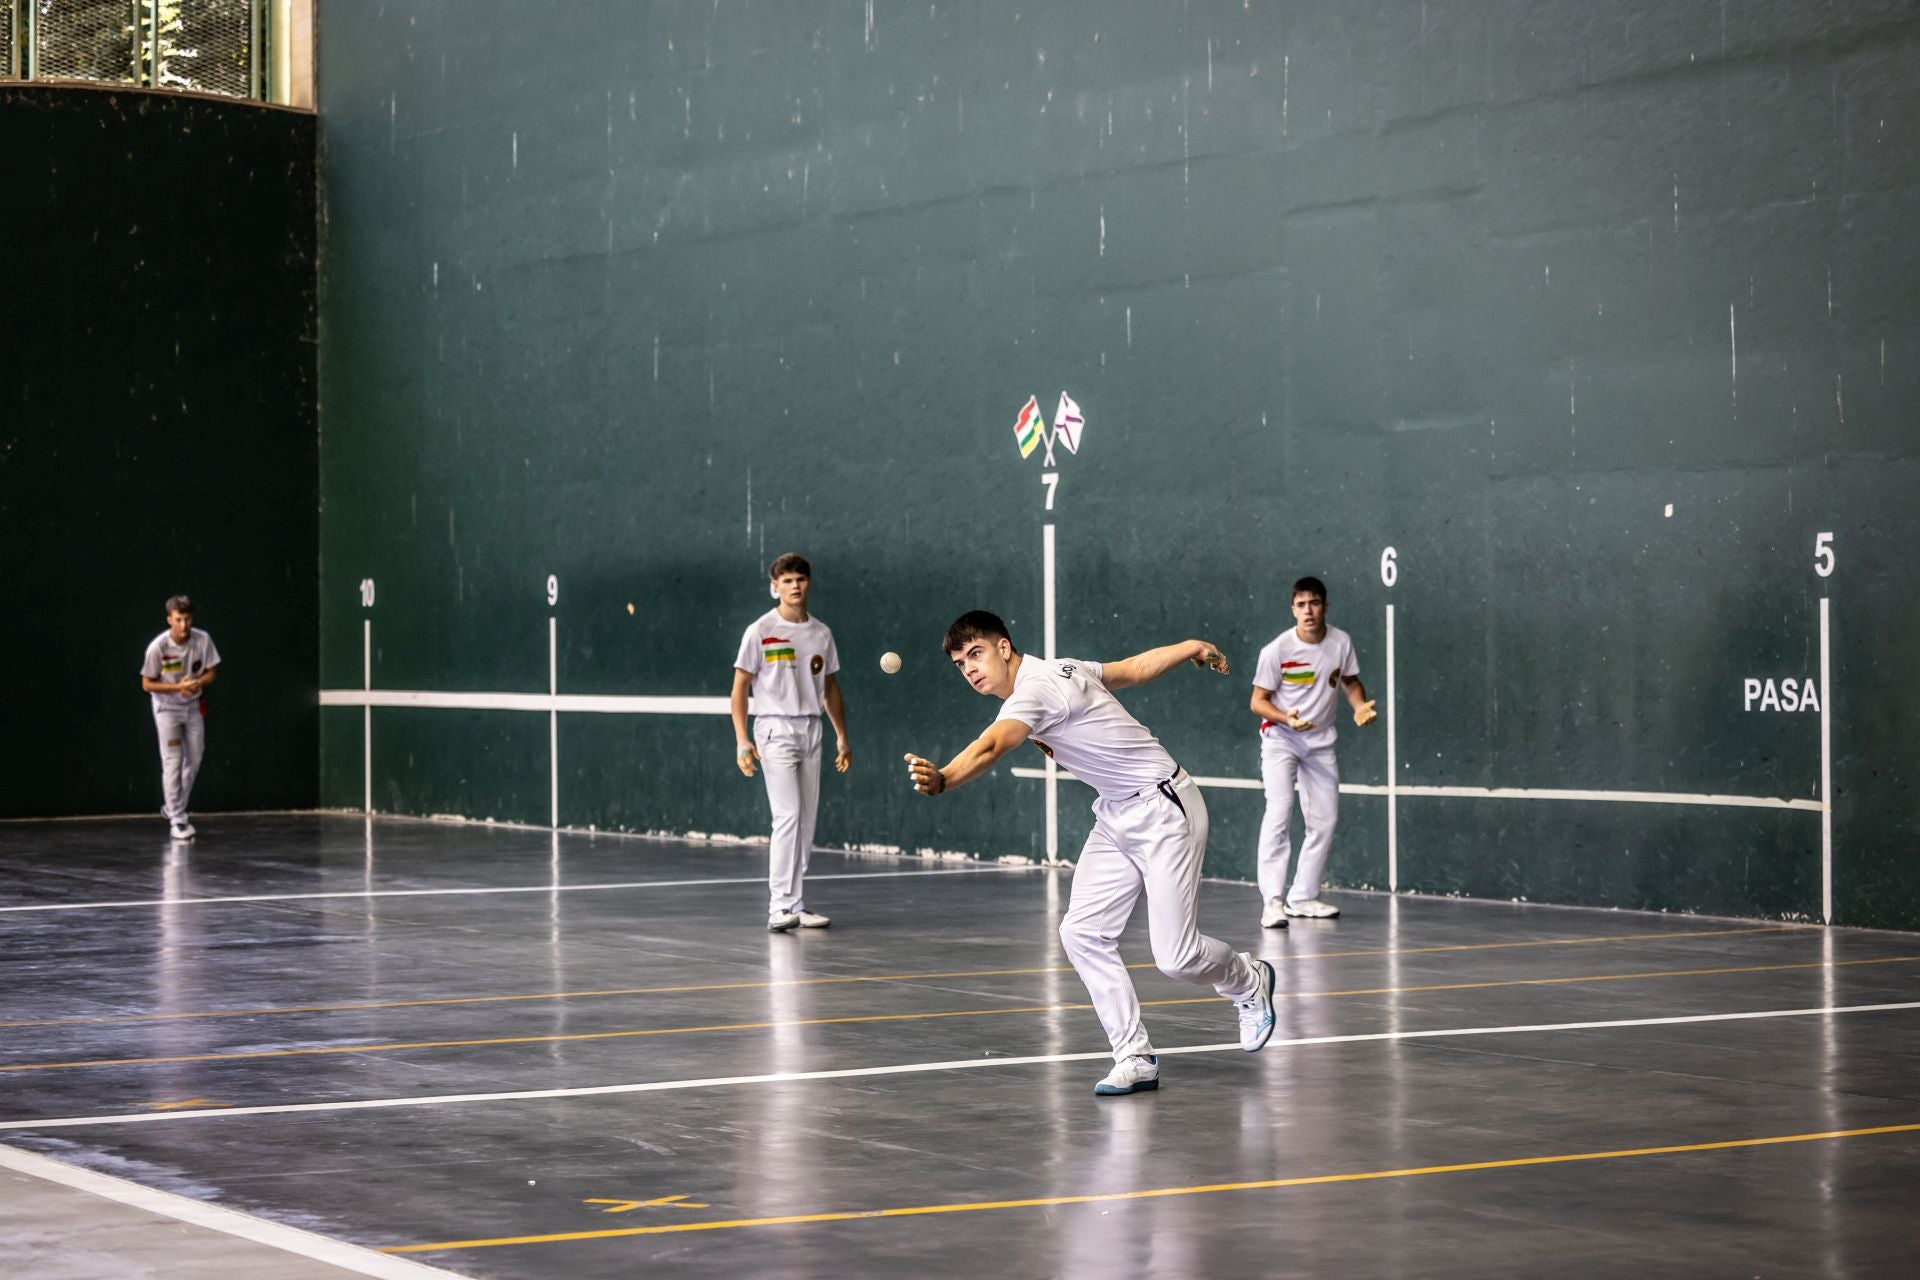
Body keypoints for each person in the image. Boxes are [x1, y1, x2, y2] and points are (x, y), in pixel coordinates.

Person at [904, 611, 1276, 1097]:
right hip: (1117, 813)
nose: (970, 669)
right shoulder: (1063, 669)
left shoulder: (1036, 689)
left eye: (976, 654)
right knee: (1081, 932)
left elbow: (993, 744)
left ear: (1003, 647)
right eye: (959, 664)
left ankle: (1248, 980)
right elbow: (1130, 668)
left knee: (1177, 957)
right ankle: (1134, 1055)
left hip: (1165, 808)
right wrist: (1188, 646)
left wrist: (946, 777)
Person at [730, 553, 851, 932]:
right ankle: (778, 906)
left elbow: (830, 688)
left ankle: (796, 904)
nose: (794, 585)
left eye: (800, 578)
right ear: (775, 586)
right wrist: (741, 740)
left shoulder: (821, 633)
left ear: (809, 583)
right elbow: (739, 688)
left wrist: (842, 736)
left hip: (812, 729)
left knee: (806, 822)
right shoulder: (760, 630)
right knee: (787, 816)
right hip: (773, 729)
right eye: (786, 580)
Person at [1250, 576, 1375, 925]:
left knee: (1325, 821)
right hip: (1280, 740)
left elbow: (1349, 682)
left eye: (1314, 603)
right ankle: (1272, 902)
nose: (1308, 610)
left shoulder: (1340, 643)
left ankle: (1303, 897)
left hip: (1321, 743)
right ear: (1293, 609)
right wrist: (1285, 718)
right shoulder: (1276, 651)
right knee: (1279, 811)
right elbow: (1257, 702)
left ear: (1325, 606)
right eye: (1301, 604)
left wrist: (1359, 706)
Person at [139, 595, 221, 841]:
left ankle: (172, 806)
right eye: (178, 620)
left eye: (187, 619)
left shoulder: (203, 640)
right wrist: (177, 688)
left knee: (194, 758)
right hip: (167, 710)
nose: (183, 625)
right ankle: (177, 818)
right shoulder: (158, 647)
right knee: (173, 761)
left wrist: (197, 684)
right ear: (169, 620)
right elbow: (146, 683)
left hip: (193, 707)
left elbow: (211, 672)